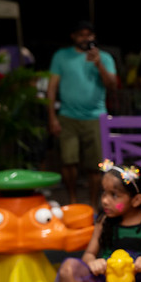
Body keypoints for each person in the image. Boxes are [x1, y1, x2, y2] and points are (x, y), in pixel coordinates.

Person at [47, 20, 117, 210]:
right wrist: (52, 117)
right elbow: (51, 88)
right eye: (81, 34)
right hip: (68, 116)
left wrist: (99, 64)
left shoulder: (105, 57)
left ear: (93, 37)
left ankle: (93, 206)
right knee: (68, 162)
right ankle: (72, 201)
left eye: (89, 35)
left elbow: (112, 85)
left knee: (95, 166)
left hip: (96, 117)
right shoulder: (61, 56)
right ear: (73, 36)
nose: (85, 38)